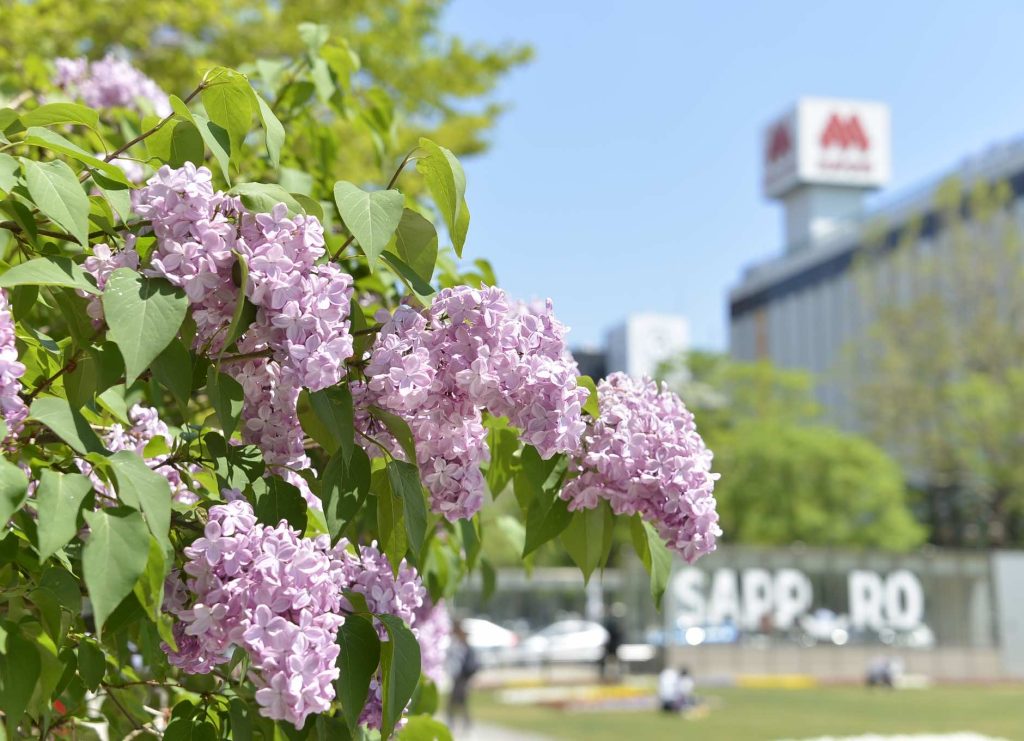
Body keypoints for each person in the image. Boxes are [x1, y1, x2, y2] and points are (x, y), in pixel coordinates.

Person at [447, 621, 479, 732]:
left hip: (462, 679)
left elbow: (469, 665)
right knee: (461, 703)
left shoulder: (466, 648)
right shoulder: (460, 646)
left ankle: (457, 724)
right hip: (459, 679)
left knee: (456, 703)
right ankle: (464, 723)